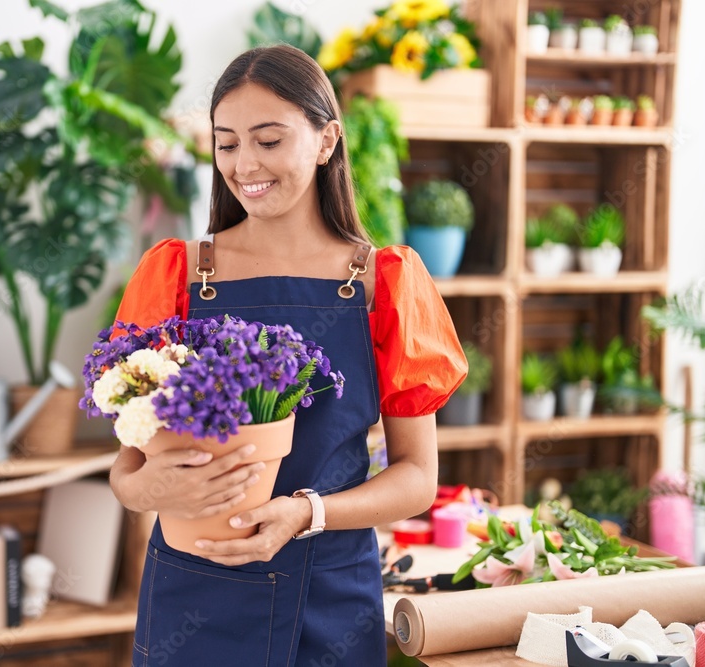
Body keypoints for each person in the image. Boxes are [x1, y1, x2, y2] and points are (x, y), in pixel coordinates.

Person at [109, 44, 468, 666]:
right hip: (194, 595)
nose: (244, 164)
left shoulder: (386, 283)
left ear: (326, 140)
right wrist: (152, 489)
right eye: (226, 143)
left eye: (269, 140)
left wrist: (308, 514)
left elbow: (418, 479)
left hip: (329, 599)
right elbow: (126, 472)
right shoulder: (175, 275)